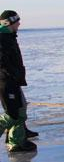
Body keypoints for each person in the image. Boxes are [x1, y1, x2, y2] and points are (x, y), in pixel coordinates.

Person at [0, 11, 37, 153]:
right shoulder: (2, 38)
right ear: (8, 23)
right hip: (6, 82)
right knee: (12, 114)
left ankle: (16, 142)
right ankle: (15, 141)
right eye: (17, 21)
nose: (19, 24)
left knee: (21, 110)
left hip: (13, 81)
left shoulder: (9, 37)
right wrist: (12, 75)